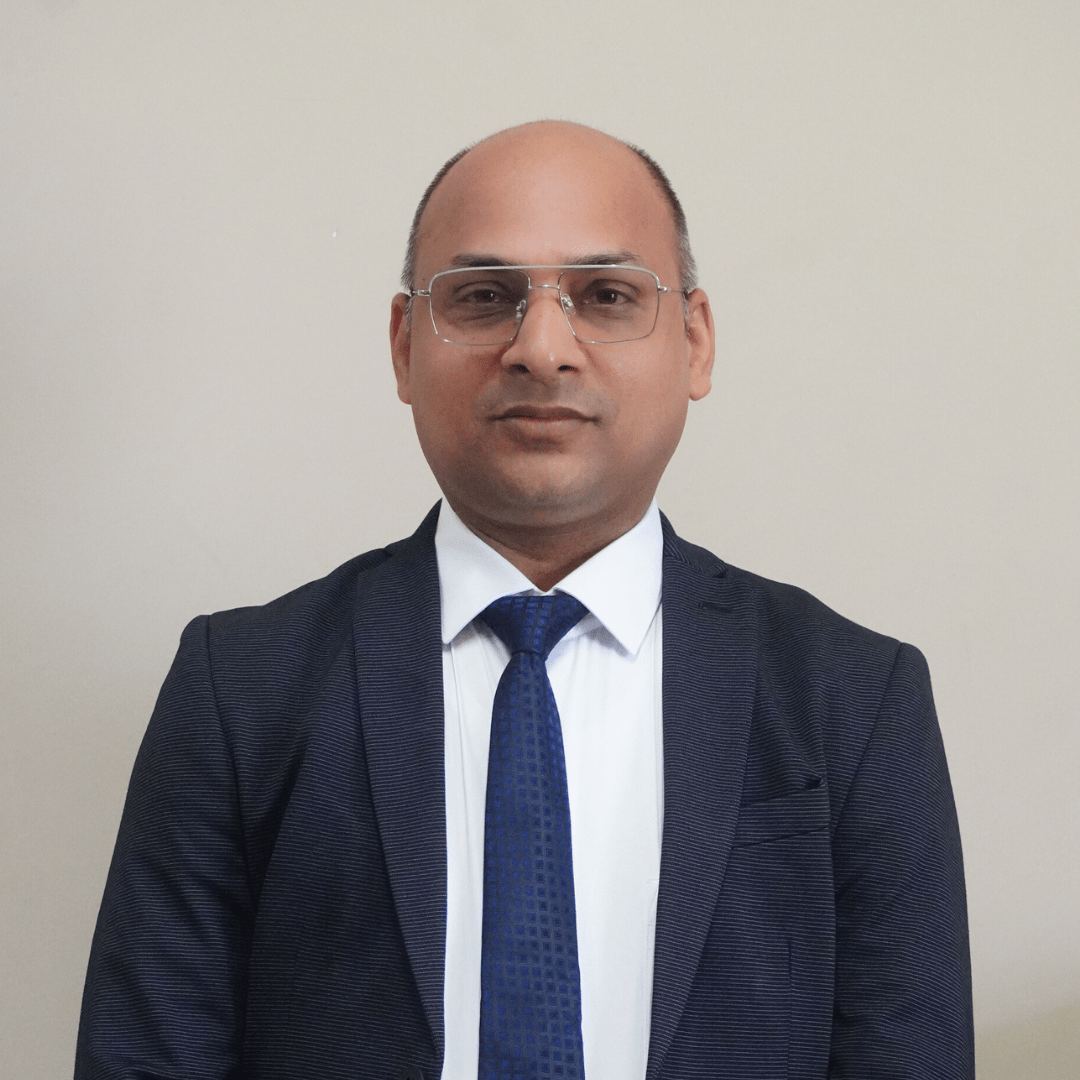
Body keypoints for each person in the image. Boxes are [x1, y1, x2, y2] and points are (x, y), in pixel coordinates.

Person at [75, 121, 974, 1080]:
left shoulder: (855, 700)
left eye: (608, 295)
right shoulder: (241, 691)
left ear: (695, 342)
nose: (542, 349)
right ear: (404, 345)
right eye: (484, 297)